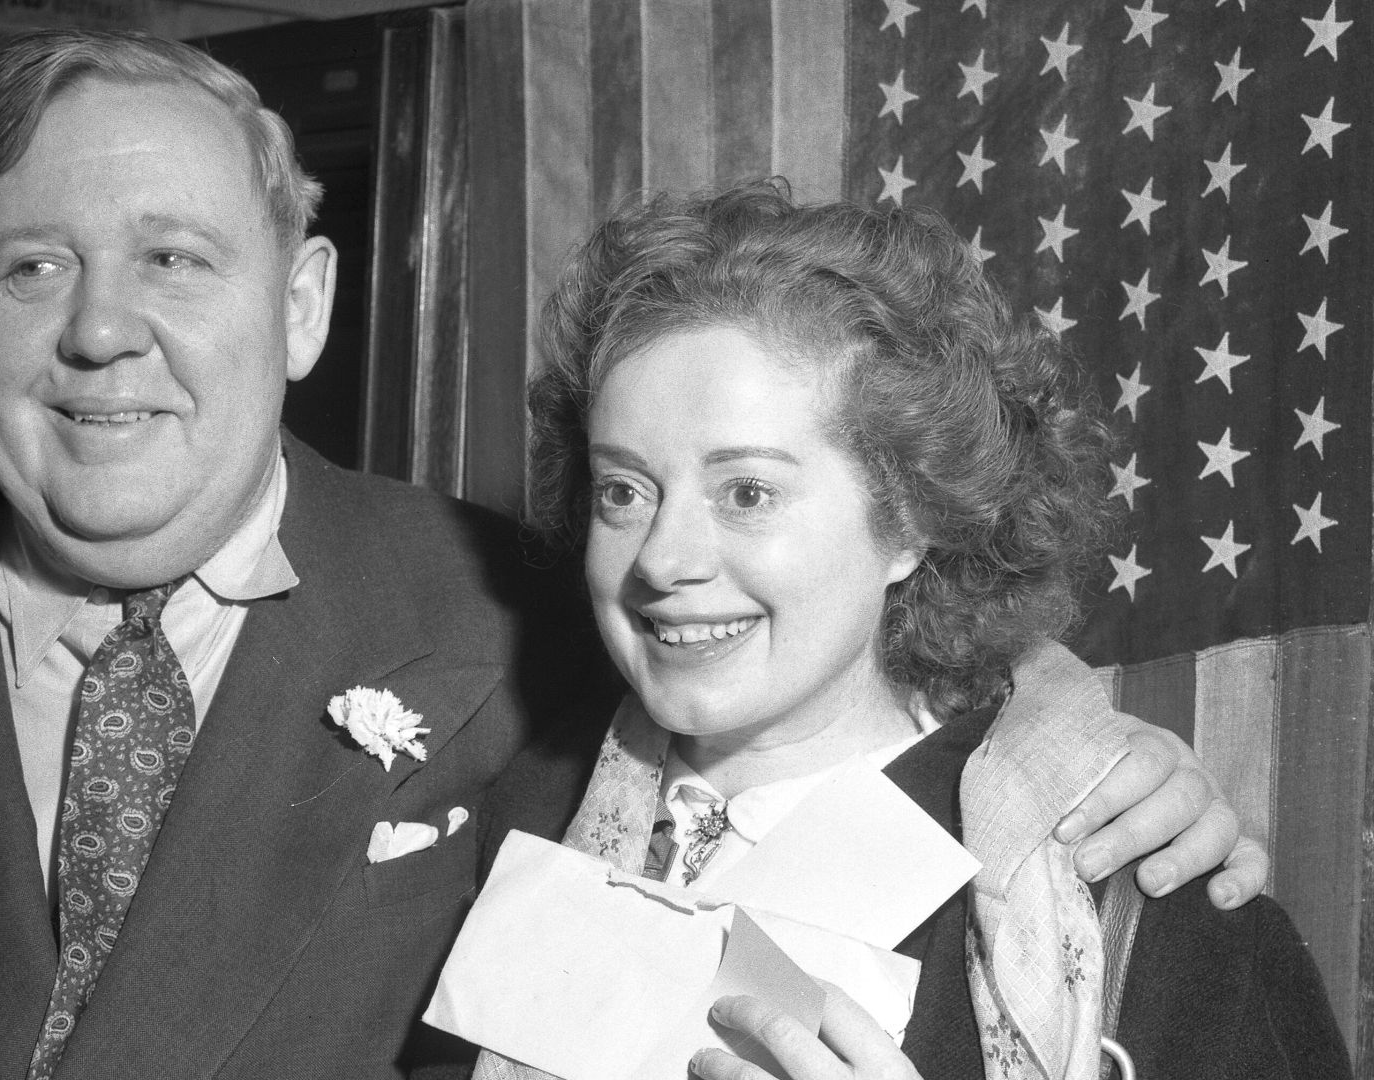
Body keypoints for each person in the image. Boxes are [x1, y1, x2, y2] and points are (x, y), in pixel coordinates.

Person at [0, 30, 1261, 1080]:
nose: (101, 330)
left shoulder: (507, 627)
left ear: (304, 299)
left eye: (176, 257)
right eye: (31, 264)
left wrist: (1055, 730)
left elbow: (814, 665)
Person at [478, 182, 1346, 1080]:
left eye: (747, 494)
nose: (661, 559)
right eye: (624, 490)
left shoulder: (1152, 915)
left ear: (912, 516)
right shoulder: (500, 821)